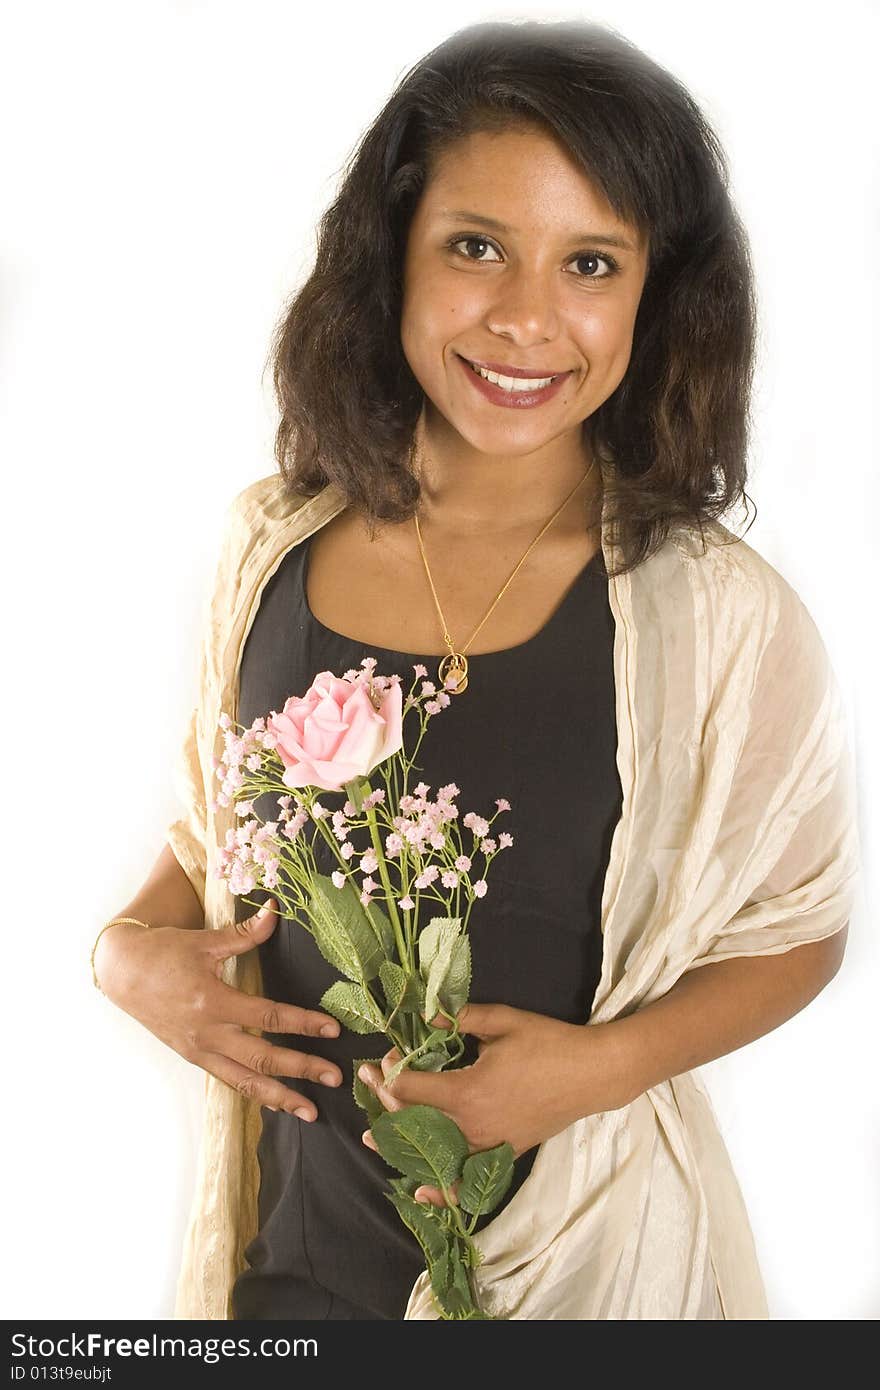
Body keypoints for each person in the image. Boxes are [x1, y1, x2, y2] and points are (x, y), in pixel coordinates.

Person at [92, 20, 860, 1321]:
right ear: (389, 250)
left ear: (657, 298)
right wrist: (129, 955)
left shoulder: (721, 614)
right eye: (476, 245)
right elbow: (236, 835)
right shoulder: (266, 548)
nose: (524, 316)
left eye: (592, 263)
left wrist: (597, 1067)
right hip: (295, 1281)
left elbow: (799, 930)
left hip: (588, 1272)